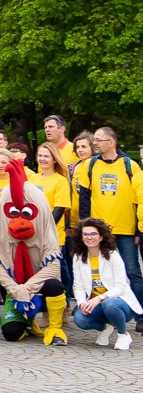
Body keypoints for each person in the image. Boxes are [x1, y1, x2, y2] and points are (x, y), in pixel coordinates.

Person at [73, 126, 143, 335]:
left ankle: (139, 315)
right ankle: (103, 312)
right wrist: (87, 225)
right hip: (99, 231)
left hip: (125, 228)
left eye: (99, 140)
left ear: (111, 142)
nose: (95, 144)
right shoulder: (90, 165)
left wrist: (139, 230)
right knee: (98, 269)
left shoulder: (131, 166)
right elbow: (84, 196)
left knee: (132, 271)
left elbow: (140, 200)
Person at [70, 217, 140, 351]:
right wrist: (81, 303)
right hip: (97, 305)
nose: (89, 237)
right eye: (85, 234)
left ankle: (122, 334)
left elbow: (121, 286)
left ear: (101, 237)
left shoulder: (112, 255)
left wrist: (100, 298)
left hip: (120, 304)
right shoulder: (78, 257)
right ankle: (105, 328)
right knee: (79, 318)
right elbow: (77, 286)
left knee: (110, 303)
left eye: (93, 234)